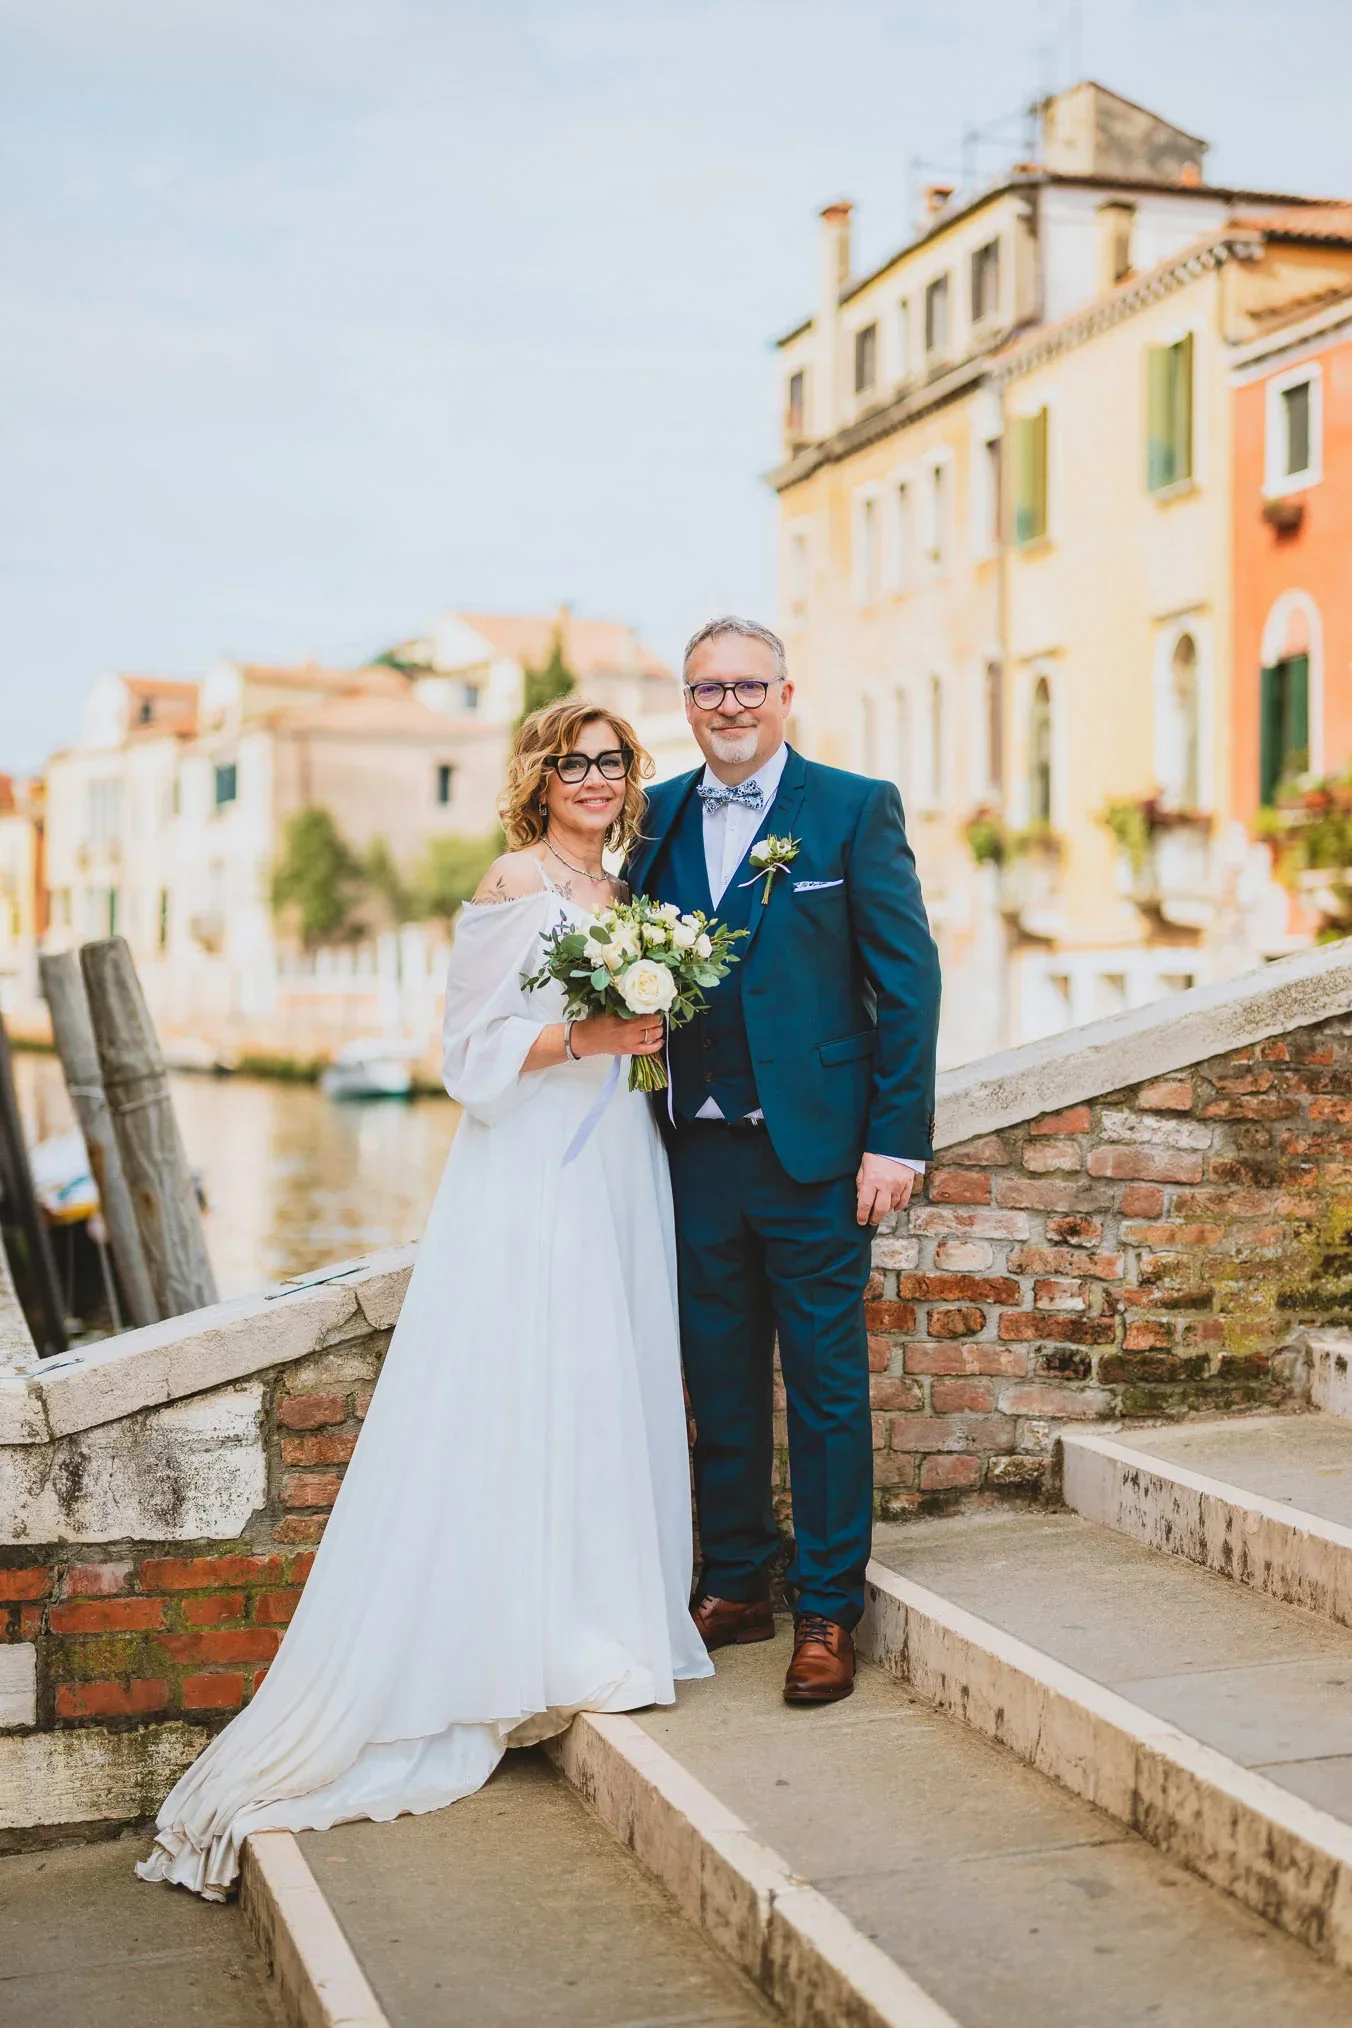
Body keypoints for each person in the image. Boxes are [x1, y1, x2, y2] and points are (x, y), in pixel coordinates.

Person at [137, 698, 710, 1900]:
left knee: (610, 1375)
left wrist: (642, 1036)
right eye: (576, 763)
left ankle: (604, 1622)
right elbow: (467, 1051)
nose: (597, 779)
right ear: (539, 776)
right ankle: (521, 1638)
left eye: (612, 762)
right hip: (534, 1170)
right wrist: (591, 1035)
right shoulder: (513, 882)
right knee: (537, 1374)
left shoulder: (621, 892)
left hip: (617, 1162)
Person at [627, 616, 940, 1706]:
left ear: (784, 693)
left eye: (746, 686)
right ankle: (733, 1581)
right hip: (691, 1152)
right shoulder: (653, 817)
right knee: (714, 1383)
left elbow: (905, 984)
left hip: (815, 1154)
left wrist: (894, 1138)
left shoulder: (854, 809)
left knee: (822, 1391)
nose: (728, 706)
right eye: (707, 690)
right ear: (686, 702)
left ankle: (825, 1607)